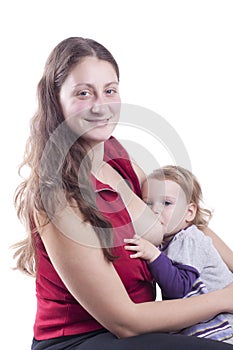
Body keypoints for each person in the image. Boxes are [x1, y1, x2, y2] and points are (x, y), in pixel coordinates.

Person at [13, 36, 233, 350]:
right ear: (55, 100)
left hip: (145, 328)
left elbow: (182, 220)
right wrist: (224, 299)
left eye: (110, 90)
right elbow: (125, 321)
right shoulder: (57, 197)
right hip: (84, 340)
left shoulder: (117, 157)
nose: (100, 105)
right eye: (84, 93)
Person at [124, 165, 233, 344]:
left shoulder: (188, 239)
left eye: (166, 203)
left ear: (189, 212)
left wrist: (153, 256)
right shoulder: (167, 242)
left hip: (222, 331)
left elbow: (178, 289)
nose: (155, 210)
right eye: (147, 203)